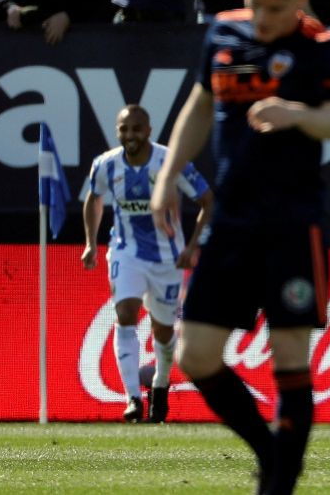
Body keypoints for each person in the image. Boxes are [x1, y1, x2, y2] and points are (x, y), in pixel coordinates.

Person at [151, 0, 330, 493]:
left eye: (276, 8)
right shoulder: (221, 31)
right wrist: (168, 178)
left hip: (292, 223)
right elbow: (200, 104)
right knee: (194, 355)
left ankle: (279, 481)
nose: (263, 18)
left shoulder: (322, 44)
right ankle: (272, 453)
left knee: (289, 353)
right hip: (230, 224)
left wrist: (295, 113)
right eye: (256, 2)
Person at [82, 104, 213, 423]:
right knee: (125, 313)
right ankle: (132, 398)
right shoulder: (105, 164)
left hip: (167, 258)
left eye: (136, 129)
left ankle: (160, 383)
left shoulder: (170, 162)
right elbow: (93, 199)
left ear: (149, 131)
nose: (130, 135)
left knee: (163, 330)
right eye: (124, 129)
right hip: (125, 251)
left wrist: (193, 246)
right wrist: (90, 243)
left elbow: (208, 201)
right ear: (117, 131)